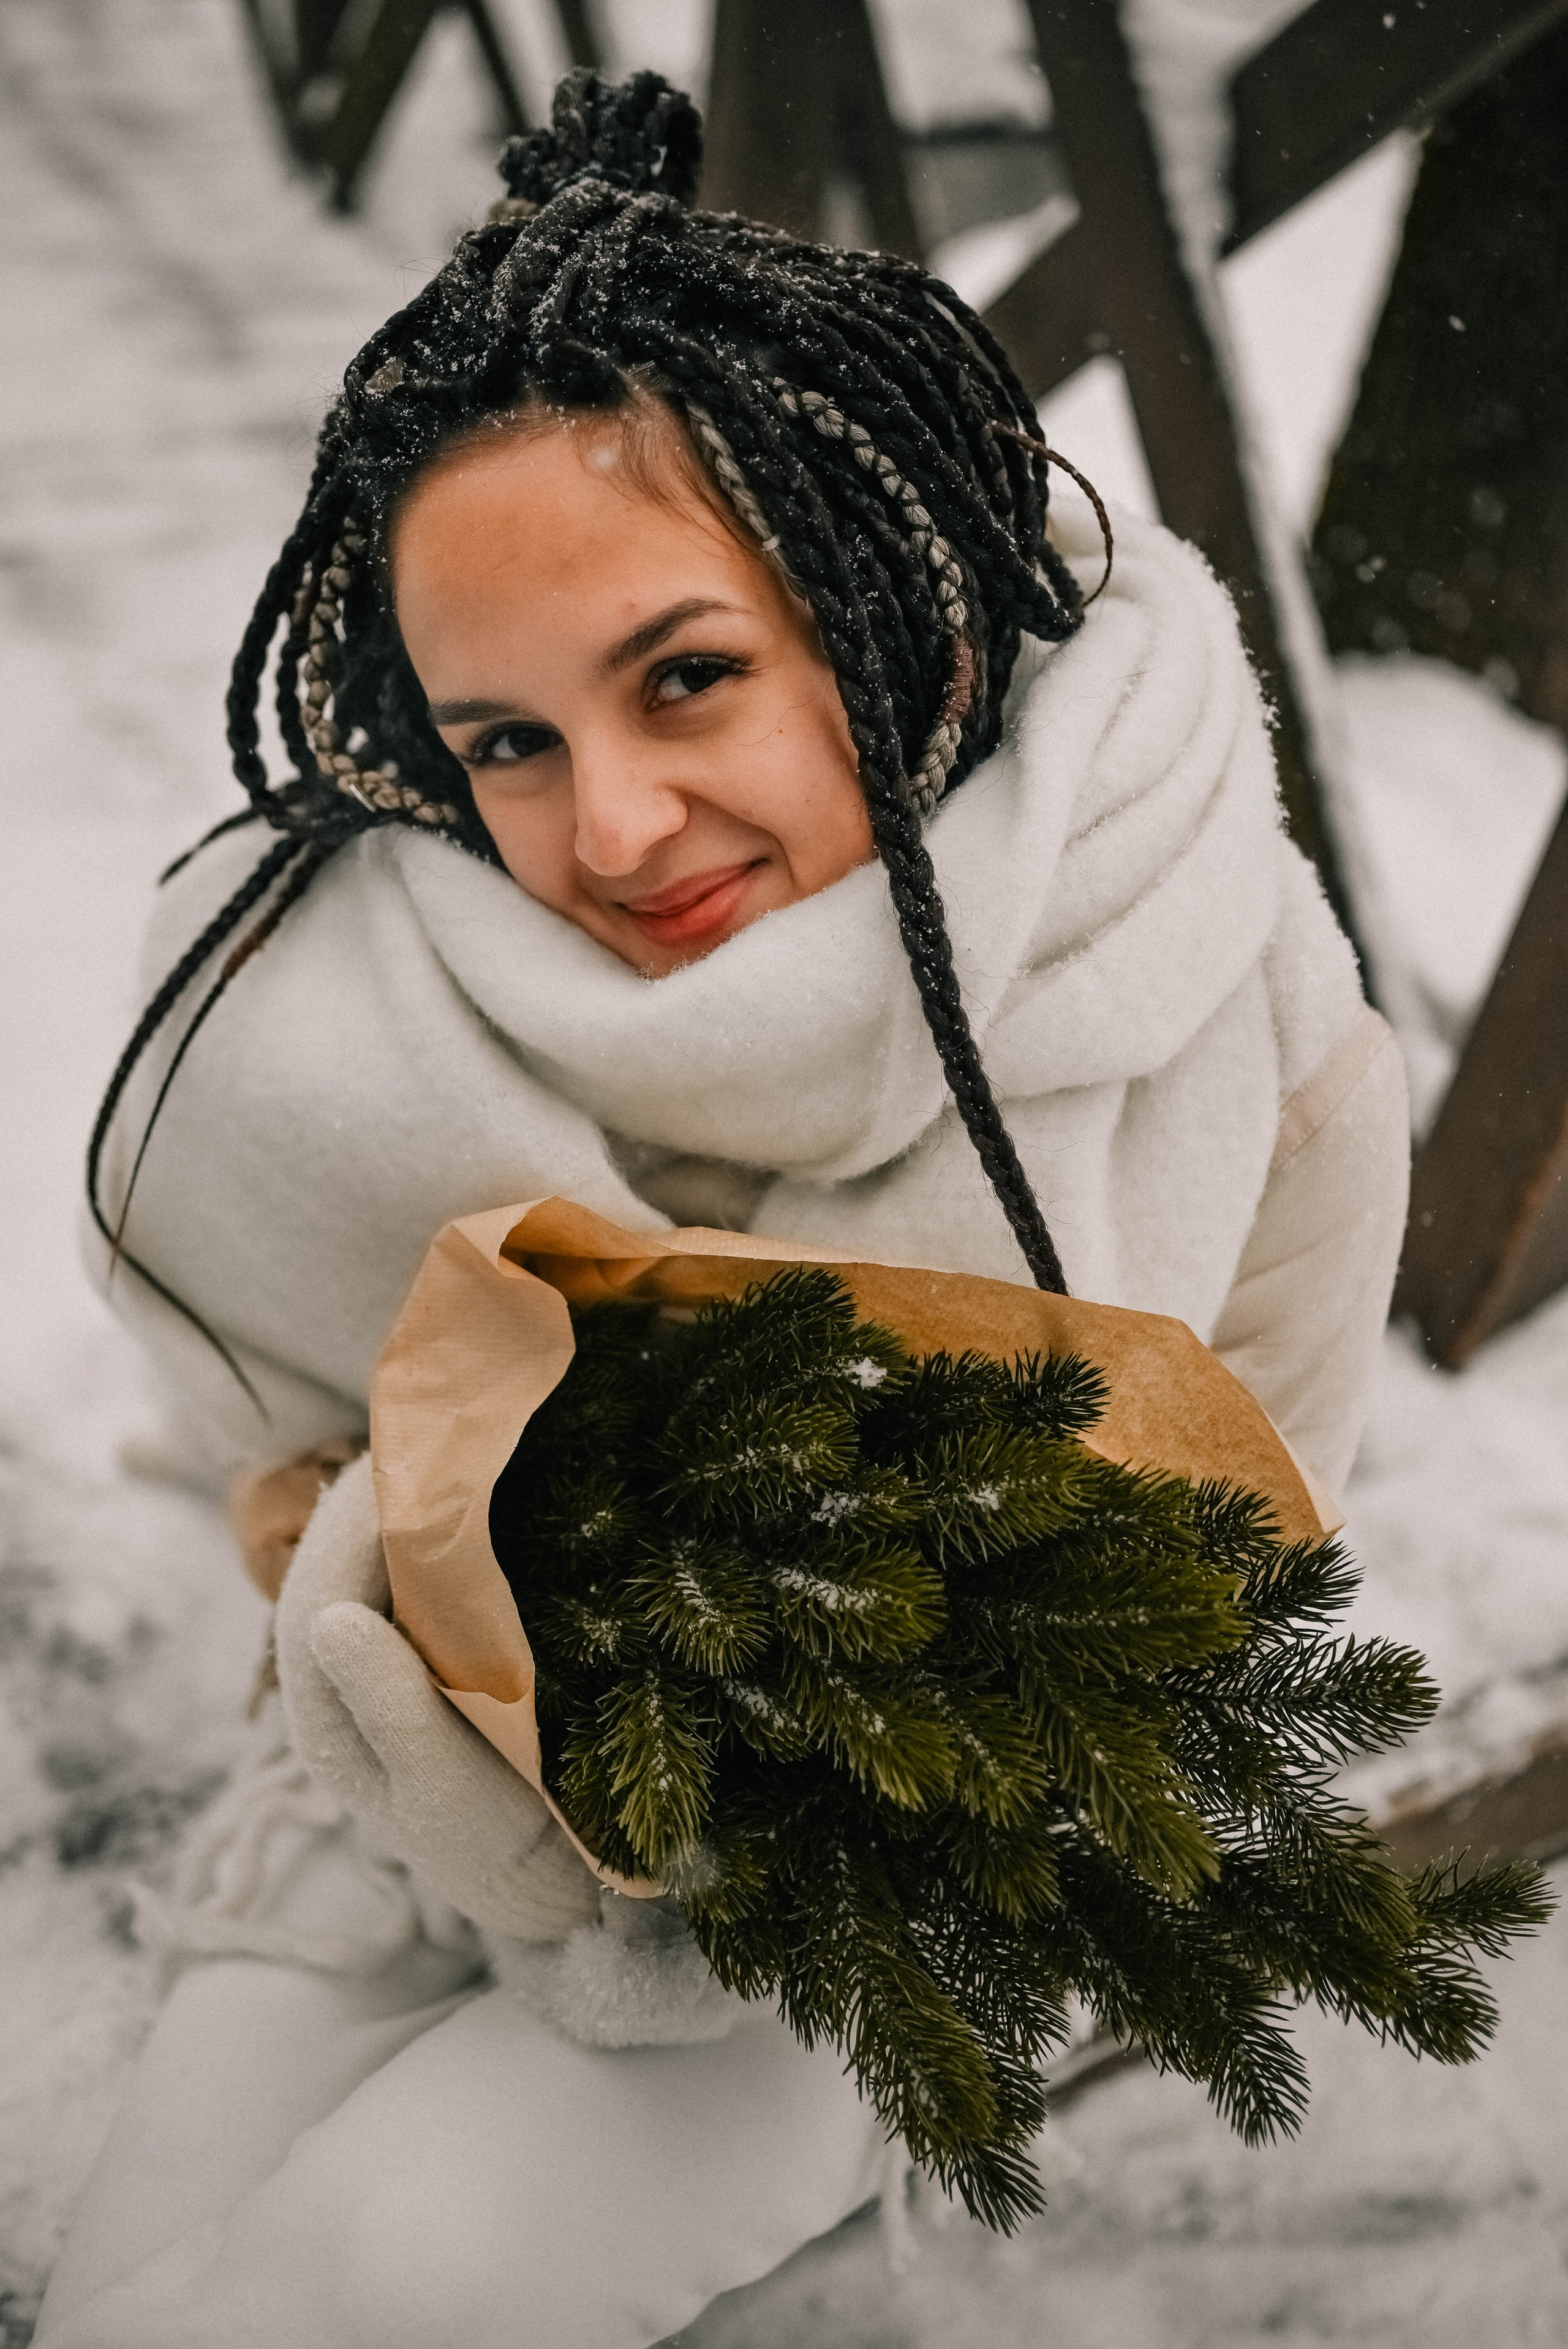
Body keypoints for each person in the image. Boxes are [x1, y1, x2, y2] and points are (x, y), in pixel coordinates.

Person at [36, 67, 1409, 2348]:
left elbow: (1226, 1588)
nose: (617, 824)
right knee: (126, 2297)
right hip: (393, 1788)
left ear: (898, 602)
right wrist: (413, 1558)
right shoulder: (365, 1011)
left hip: (872, 1898)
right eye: (508, 741)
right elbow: (266, 1452)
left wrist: (836, 1690)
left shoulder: (1213, 1009)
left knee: (344, 2292)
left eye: (688, 676)